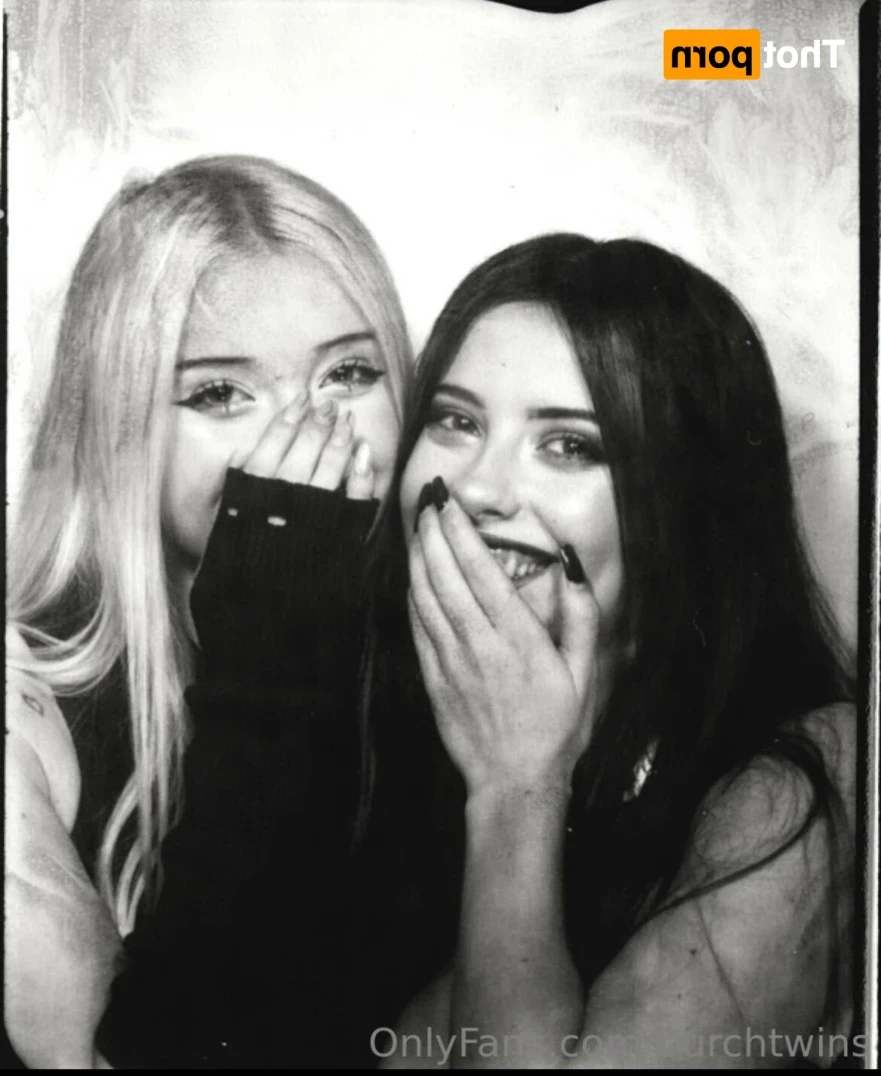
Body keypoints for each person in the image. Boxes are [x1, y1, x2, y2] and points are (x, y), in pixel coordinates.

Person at [373, 234, 856, 1067]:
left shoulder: (813, 769)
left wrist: (515, 789)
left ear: (687, 502)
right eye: (455, 420)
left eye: (569, 445)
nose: (478, 488)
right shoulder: (397, 730)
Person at [4, 153, 412, 1068]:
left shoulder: (445, 673)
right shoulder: (20, 710)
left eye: (349, 372)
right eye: (219, 392)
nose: (304, 433)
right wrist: (275, 661)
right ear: (114, 431)